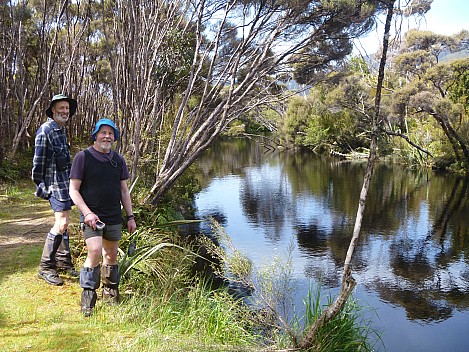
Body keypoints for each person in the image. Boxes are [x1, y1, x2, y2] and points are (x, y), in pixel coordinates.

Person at [69, 118, 137, 317]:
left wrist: (130, 217)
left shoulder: (118, 160)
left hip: (114, 215)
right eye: (103, 132)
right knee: (95, 251)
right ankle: (88, 298)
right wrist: (87, 212)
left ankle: (110, 292)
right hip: (91, 216)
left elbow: (124, 191)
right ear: (96, 135)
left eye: (111, 133)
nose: (107, 136)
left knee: (111, 255)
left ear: (114, 137)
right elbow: (73, 190)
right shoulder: (83, 157)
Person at [32, 94, 79, 286]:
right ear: (53, 109)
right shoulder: (45, 130)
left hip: (65, 184)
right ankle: (45, 267)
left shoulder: (62, 130)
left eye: (67, 108)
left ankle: (63, 261)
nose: (65, 111)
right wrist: (41, 186)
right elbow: (38, 163)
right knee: (62, 223)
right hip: (54, 185)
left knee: (64, 224)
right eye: (61, 108)